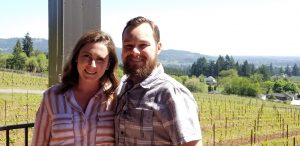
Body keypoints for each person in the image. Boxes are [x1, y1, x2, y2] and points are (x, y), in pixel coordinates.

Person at [115, 16, 202, 146]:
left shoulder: (171, 94)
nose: (134, 51)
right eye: (128, 45)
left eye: (143, 45)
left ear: (158, 47)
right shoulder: (123, 88)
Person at [31, 31, 119, 146]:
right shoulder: (51, 97)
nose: (92, 65)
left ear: (108, 65)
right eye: (87, 56)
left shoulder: (116, 99)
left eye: (100, 59)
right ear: (76, 57)